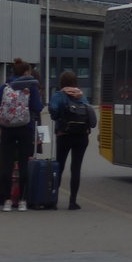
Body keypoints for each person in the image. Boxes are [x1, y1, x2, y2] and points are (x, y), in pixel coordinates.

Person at [0, 57, 44, 211]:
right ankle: (22, 200)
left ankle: (7, 200)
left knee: (6, 165)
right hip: (25, 129)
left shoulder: (5, 86)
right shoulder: (31, 87)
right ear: (26, 72)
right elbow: (38, 107)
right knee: (24, 164)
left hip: (7, 129)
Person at [48, 70, 96, 210]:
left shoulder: (59, 95)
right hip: (82, 136)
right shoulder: (82, 96)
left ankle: (54, 200)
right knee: (76, 168)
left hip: (64, 135)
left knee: (60, 167)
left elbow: (53, 111)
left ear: (61, 82)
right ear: (75, 82)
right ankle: (72, 201)